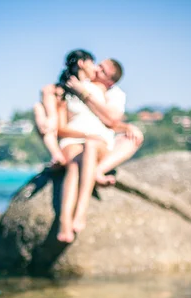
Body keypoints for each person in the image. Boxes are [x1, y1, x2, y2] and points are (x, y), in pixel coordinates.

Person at [34, 51, 144, 242]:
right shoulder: (71, 87)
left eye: (102, 69)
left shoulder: (109, 94)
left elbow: (111, 120)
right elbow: (59, 123)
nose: (96, 68)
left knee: (95, 146)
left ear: (110, 80)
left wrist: (126, 126)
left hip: (98, 142)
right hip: (74, 142)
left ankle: (81, 210)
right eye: (97, 65)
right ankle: (65, 222)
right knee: (76, 165)